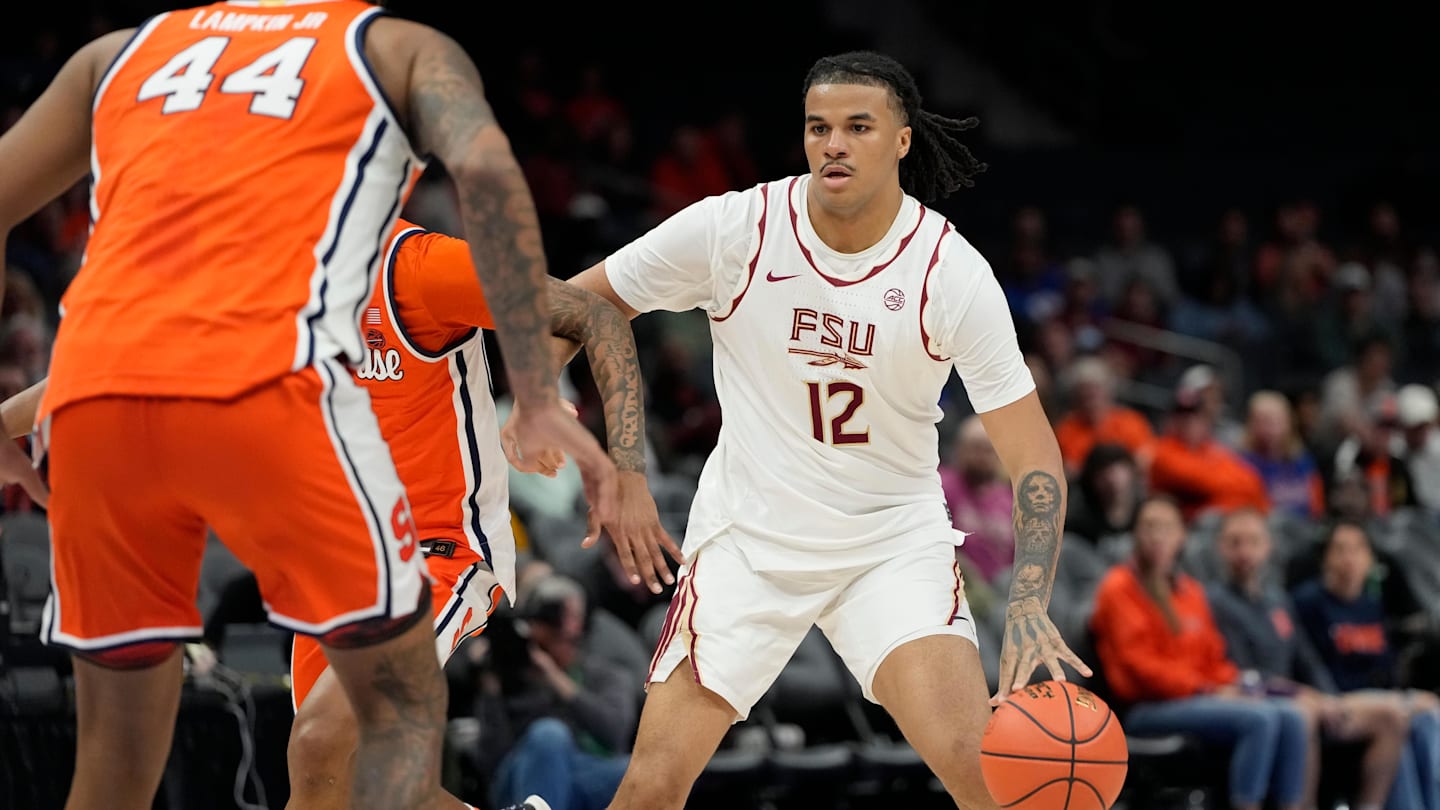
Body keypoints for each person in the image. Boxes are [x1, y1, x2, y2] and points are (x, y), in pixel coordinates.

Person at [0, 3, 617, 809]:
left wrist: (542, 398)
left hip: (436, 541)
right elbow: (490, 171)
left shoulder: (413, 262)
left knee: (318, 748)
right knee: (358, 781)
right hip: (306, 514)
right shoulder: (366, 82)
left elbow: (574, 297)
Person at [544, 50, 1089, 810]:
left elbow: (1033, 456)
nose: (834, 143)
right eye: (818, 127)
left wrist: (1029, 596)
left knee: (986, 775)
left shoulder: (949, 271)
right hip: (750, 540)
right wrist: (550, 407)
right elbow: (573, 305)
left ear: (901, 139)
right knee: (652, 786)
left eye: (858, 127)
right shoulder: (737, 228)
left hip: (888, 547)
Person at [1089, 495, 1309, 810]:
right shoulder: (1119, 587)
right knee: (1260, 718)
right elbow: (1138, 665)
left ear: (1182, 537)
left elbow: (1213, 656)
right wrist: (1205, 688)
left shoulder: (1190, 590)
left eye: (1165, 528)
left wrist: (1235, 684)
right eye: (1148, 527)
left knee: (1292, 715)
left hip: (1196, 697)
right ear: (1136, 535)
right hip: (1146, 707)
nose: (1156, 536)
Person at [1208, 508, 1412, 810]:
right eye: (1235, 543)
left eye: (1252, 542)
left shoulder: (1276, 599)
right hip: (1260, 698)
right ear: (1220, 549)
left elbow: (1306, 657)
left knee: (1390, 718)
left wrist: (1328, 697)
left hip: (1304, 696)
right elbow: (1241, 672)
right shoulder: (1215, 601)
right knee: (1303, 715)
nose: (1245, 552)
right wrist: (1302, 694)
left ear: (1268, 547)